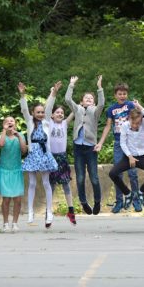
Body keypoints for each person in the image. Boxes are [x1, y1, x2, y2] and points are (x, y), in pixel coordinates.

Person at [19, 81, 60, 227]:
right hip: (33, 154)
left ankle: (49, 211)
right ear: (33, 113)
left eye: (42, 112)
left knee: (46, 182)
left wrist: (53, 93)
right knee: (31, 183)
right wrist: (22, 94)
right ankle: (30, 211)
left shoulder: (47, 122)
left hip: (44, 154)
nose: (41, 114)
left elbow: (49, 107)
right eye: (38, 112)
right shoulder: (30, 122)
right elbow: (24, 109)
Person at [96, 82, 140, 212]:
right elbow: (108, 126)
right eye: (120, 94)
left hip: (131, 143)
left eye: (124, 93)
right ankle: (119, 201)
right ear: (115, 95)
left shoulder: (131, 105)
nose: (122, 96)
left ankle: (136, 200)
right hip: (118, 144)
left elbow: (139, 119)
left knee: (132, 173)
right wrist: (100, 143)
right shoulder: (111, 109)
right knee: (117, 173)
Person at [64, 75, 105, 215]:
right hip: (78, 147)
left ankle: (98, 201)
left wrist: (99, 88)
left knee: (94, 177)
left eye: (91, 98)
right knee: (80, 177)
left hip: (90, 148)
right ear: (81, 102)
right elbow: (68, 100)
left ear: (93, 102)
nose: (88, 99)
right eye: (86, 98)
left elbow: (102, 104)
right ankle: (83, 202)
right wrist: (71, 85)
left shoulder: (95, 111)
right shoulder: (78, 110)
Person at [107, 102, 144, 210]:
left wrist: (139, 106)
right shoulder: (125, 126)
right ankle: (128, 193)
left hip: (141, 156)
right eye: (133, 123)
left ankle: (141, 192)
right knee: (112, 173)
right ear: (129, 119)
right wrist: (130, 156)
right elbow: (122, 143)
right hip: (129, 157)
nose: (135, 125)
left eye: (138, 123)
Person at [0, 116, 27, 233]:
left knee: (18, 199)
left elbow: (24, 150)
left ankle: (15, 223)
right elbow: (1, 144)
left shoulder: (20, 136)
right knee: (6, 199)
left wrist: (19, 136)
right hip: (4, 171)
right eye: (6, 121)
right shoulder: (2, 135)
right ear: (4, 125)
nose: (9, 122)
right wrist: (4, 130)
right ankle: (5, 223)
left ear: (16, 124)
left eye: (12, 121)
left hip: (16, 170)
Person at [49, 104, 76, 225]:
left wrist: (81, 104)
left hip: (62, 157)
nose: (60, 114)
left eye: (62, 113)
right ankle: (48, 212)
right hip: (52, 158)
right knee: (52, 185)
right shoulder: (49, 124)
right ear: (52, 115)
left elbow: (74, 111)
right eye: (57, 112)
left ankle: (71, 211)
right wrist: (52, 93)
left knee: (66, 184)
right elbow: (47, 108)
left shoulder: (64, 124)